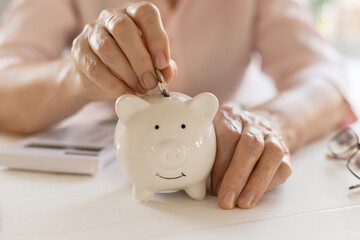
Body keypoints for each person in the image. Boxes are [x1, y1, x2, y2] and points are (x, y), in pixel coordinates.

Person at [0, 0, 356, 210]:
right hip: (99, 187)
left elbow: (322, 74)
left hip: (222, 147)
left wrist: (270, 122)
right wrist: (76, 77)